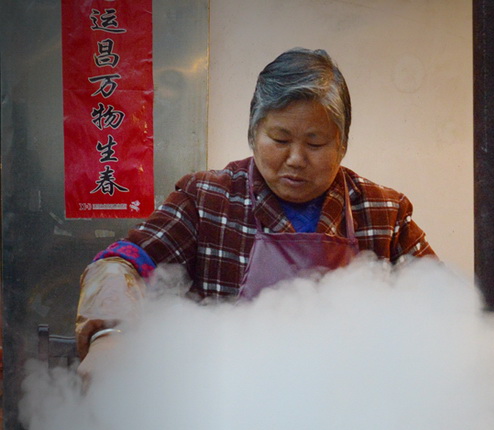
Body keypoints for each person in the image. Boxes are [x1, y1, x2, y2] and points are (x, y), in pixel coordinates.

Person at [76, 47, 435, 362]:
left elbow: (439, 307)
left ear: (342, 145)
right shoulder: (207, 199)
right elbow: (124, 261)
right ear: (252, 134)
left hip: (350, 415)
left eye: (316, 143)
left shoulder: (384, 212)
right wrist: (109, 335)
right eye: (280, 138)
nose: (295, 158)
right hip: (231, 414)